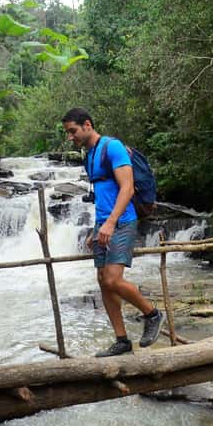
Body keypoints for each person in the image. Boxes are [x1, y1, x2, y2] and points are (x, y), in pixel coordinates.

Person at [61, 107, 163, 356]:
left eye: (72, 131)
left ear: (87, 125)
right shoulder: (90, 154)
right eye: (67, 133)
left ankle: (152, 314)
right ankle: (122, 340)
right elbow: (102, 196)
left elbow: (127, 189)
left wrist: (110, 222)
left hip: (123, 220)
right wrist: (97, 228)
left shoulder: (112, 147)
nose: (70, 137)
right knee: (102, 282)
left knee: (113, 280)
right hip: (104, 222)